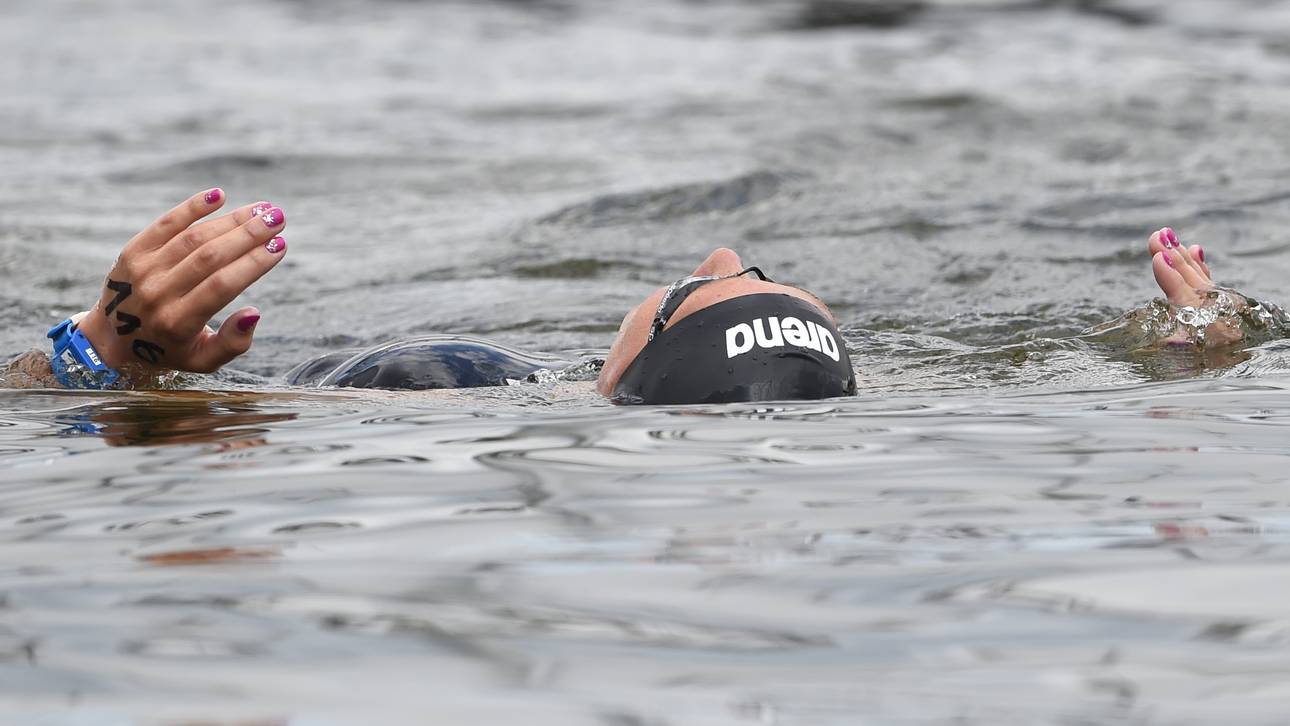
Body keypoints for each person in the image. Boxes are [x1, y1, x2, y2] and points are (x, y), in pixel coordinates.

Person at [0, 189, 1265, 402]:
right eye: (751, 273)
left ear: (624, 377)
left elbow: (57, 404)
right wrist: (1198, 347)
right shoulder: (927, 383)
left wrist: (104, 352)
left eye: (692, 292)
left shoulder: (429, 391)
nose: (719, 253)